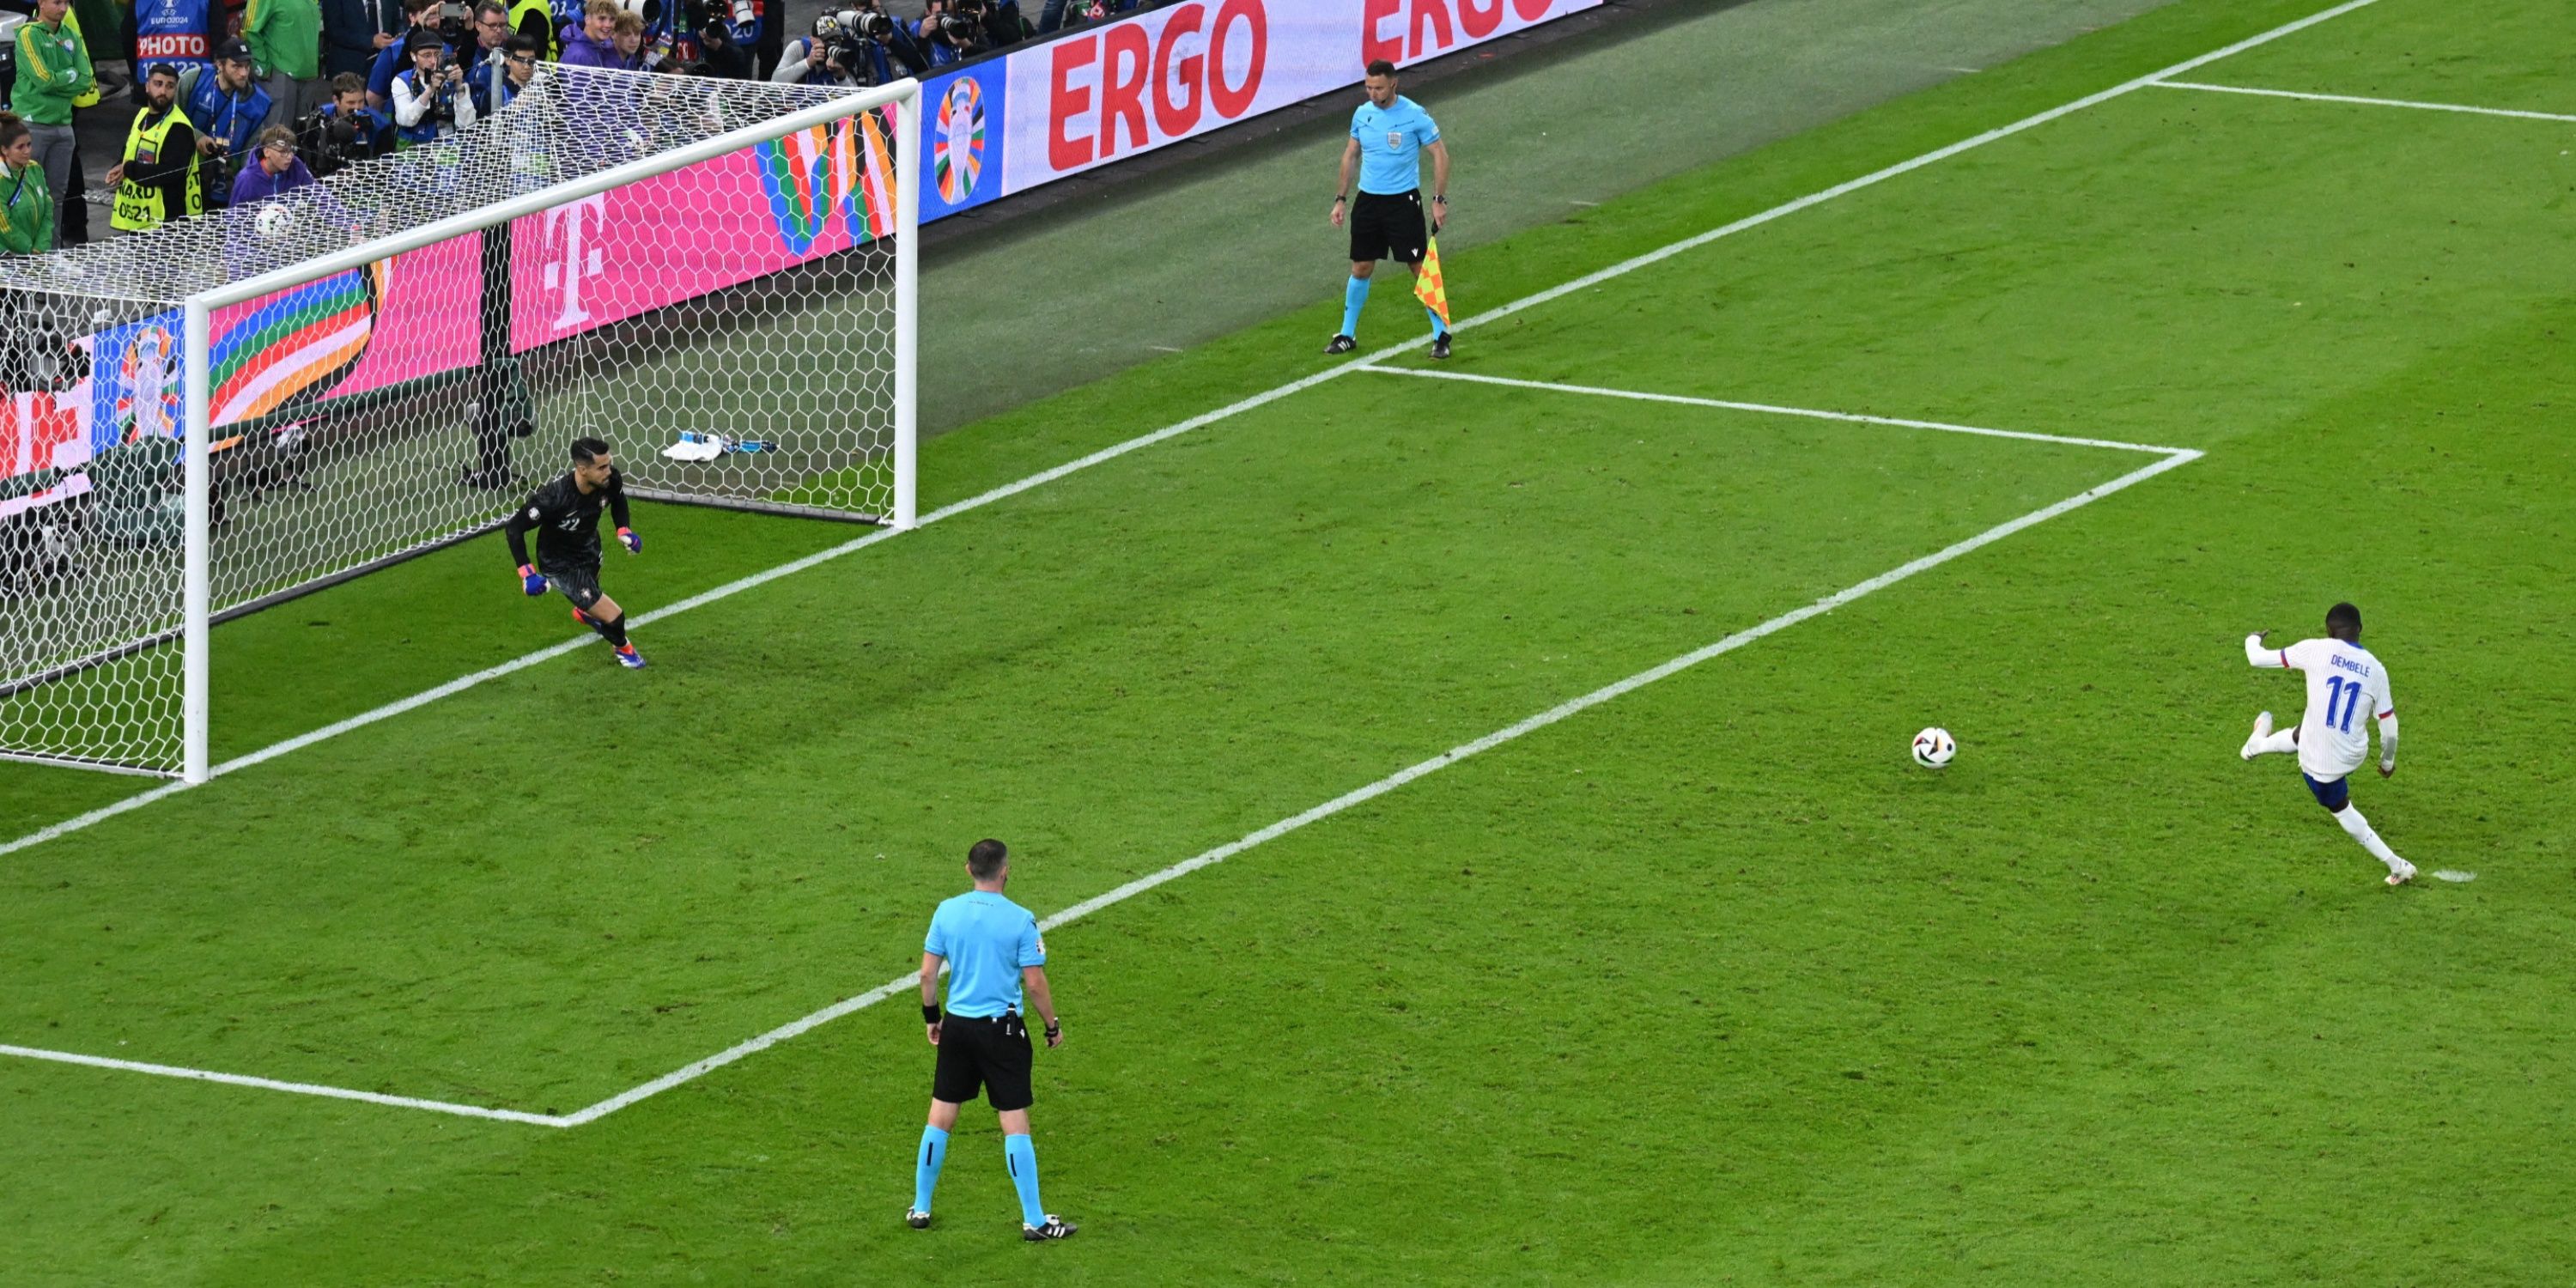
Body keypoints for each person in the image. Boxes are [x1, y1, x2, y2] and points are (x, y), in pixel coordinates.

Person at [909, 838, 1075, 1241]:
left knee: (941, 1117)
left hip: (958, 1028)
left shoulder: (946, 911)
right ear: (1005, 871)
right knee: (1014, 1122)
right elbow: (1034, 983)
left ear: (969, 870)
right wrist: (1052, 1025)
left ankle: (921, 1207)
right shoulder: (1020, 919)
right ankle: (1034, 1220)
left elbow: (927, 975)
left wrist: (933, 1017)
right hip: (1001, 1031)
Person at [2241, 603, 2412, 885]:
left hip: (2317, 765)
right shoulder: (2376, 670)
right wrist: (2387, 763)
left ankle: (2398, 866)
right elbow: (2390, 728)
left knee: (2342, 809)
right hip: (2353, 754)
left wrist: (2253, 638)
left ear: (2328, 631)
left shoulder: (2315, 649)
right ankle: (2254, 746)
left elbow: (2256, 659)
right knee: (2311, 727)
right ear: (2360, 629)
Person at [1326, 59, 1452, 360]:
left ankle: (1441, 333)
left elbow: (1440, 155)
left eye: (1378, 87)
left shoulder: (1414, 115)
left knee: (1419, 267)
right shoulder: (1362, 115)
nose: (1372, 93)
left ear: (1393, 84)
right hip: (1368, 202)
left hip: (1402, 202)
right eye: (1368, 87)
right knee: (1361, 266)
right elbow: (1350, 155)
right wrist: (1341, 199)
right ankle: (1347, 333)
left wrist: (1438, 199)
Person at [501, 435, 647, 669]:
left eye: (608, 463)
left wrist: (623, 529)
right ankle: (623, 648)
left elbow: (618, 498)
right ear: (582, 469)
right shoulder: (554, 497)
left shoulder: (610, 480)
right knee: (614, 617)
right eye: (602, 467)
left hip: (589, 547)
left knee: (592, 593)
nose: (609, 471)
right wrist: (527, 573)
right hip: (559, 563)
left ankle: (585, 612)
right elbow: (514, 529)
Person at [9, 0, 92, 248]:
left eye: (67, 2)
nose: (63, 8)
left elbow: (86, 80)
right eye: (57, 2)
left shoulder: (71, 36)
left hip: (64, 128)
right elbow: (44, 80)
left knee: (55, 198)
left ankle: (51, 255)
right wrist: (70, 76)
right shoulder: (27, 35)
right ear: (41, 3)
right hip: (31, 128)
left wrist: (62, 80)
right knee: (24, 196)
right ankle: (20, 257)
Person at [106, 63, 202, 234]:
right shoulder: (141, 115)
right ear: (147, 86)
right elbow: (130, 150)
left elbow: (169, 172)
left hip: (167, 225)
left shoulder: (179, 127)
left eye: (170, 86)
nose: (163, 91)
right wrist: (119, 165)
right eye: (158, 84)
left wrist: (128, 169)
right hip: (139, 218)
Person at [179, 38, 272, 209]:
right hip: (184, 177)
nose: (244, 73)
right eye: (236, 66)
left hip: (226, 185)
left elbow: (252, 150)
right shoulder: (194, 80)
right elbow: (171, 121)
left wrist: (247, 184)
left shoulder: (257, 102)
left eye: (247, 66)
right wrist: (197, 136)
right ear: (219, 65)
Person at [387, 27, 474, 149]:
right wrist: (430, 90)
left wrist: (459, 85)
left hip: (445, 148)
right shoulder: (402, 80)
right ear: (413, 56)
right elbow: (405, 119)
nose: (433, 61)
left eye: (437, 54)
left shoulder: (452, 79)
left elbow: (467, 123)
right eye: (427, 55)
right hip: (410, 149)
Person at [243, 0, 325, 128]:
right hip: (279, 73)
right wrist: (262, 67)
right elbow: (249, 31)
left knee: (304, 138)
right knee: (278, 138)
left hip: (309, 74)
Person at [296, 71, 386, 174]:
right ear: (336, 100)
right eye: (351, 103)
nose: (357, 107)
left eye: (361, 101)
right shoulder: (320, 117)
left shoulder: (380, 125)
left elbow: (383, 169)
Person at [366, 0, 444, 107]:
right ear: (412, 17)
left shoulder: (445, 47)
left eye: (437, 15)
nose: (434, 21)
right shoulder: (392, 51)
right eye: (429, 15)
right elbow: (373, 96)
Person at [0, 112, 58, 256]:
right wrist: (29, 249)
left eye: (29, 145)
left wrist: (41, 246)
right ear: (4, 150)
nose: (27, 151)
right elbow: (4, 224)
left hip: (36, 254)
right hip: (9, 257)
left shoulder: (35, 169)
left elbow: (48, 208)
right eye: (20, 147)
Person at [228, 124, 315, 204]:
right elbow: (233, 217)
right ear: (267, 152)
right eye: (283, 152)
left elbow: (319, 194)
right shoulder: (246, 179)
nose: (290, 157)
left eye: (292, 151)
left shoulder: (296, 166)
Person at [470, 30, 535, 115]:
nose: (527, 66)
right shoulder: (494, 93)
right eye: (521, 60)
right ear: (508, 60)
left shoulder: (540, 92)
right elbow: (484, 126)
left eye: (531, 61)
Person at [556, 0, 618, 69]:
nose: (608, 25)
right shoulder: (578, 56)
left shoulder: (602, 47)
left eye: (612, 19)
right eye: (602, 18)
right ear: (587, 19)